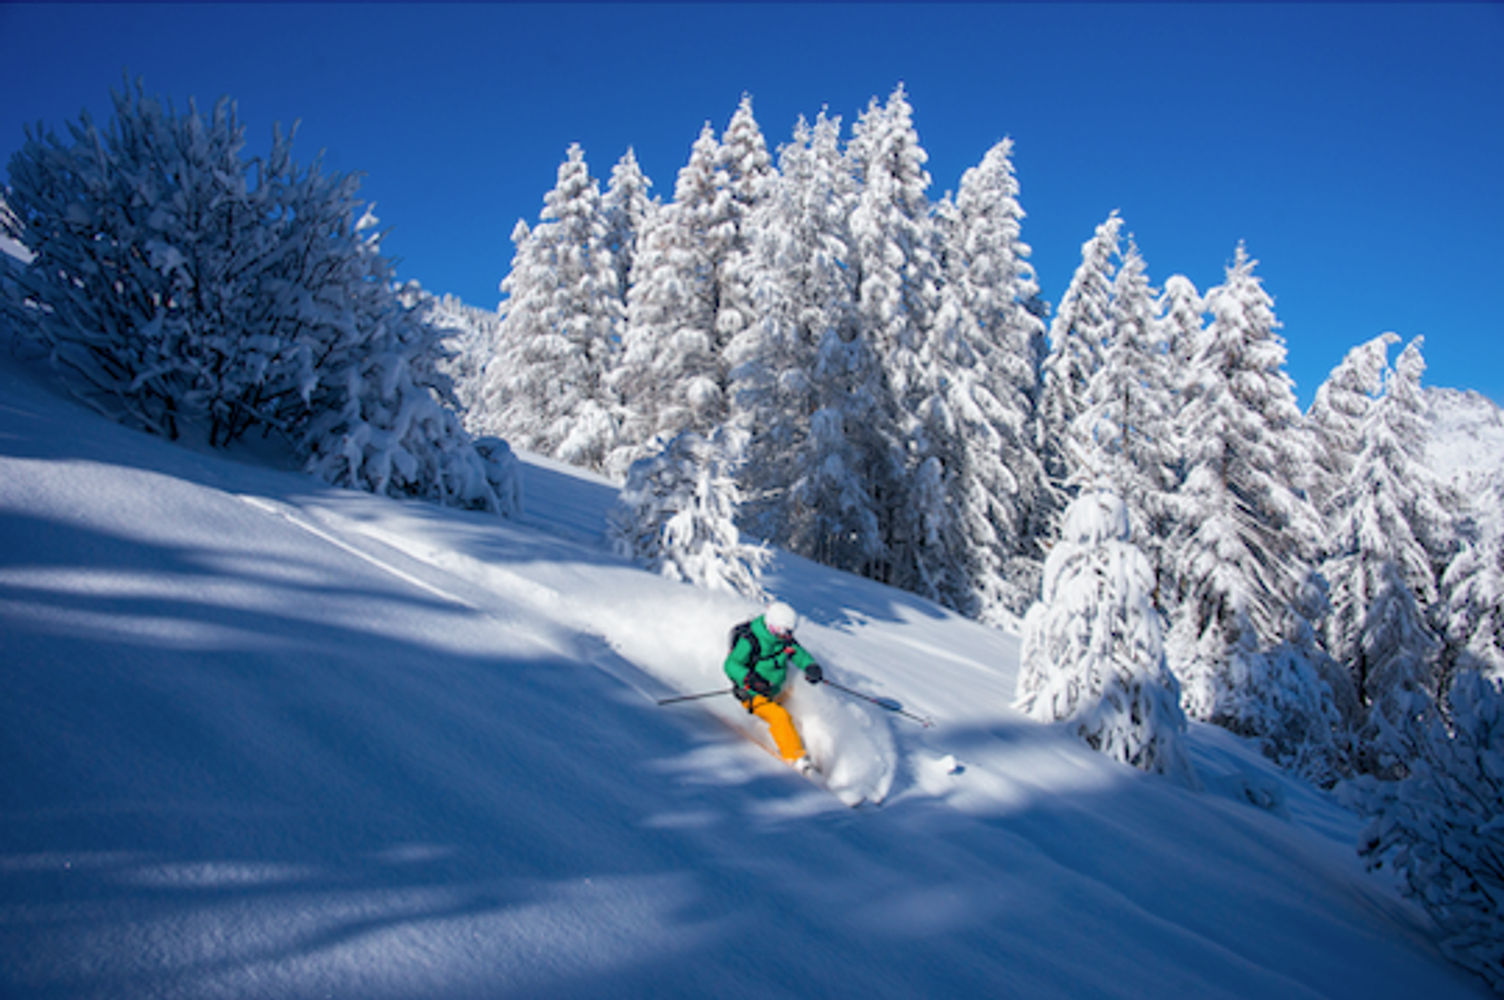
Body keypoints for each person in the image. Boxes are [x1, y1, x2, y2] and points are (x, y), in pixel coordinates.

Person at [724, 601, 824, 774]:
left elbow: (798, 653)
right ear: (773, 626)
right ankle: (796, 759)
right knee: (780, 717)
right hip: (752, 693)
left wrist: (810, 666)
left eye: (790, 632)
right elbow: (730, 665)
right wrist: (750, 678)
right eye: (785, 631)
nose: (788, 636)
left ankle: (810, 746)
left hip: (776, 689)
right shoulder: (750, 640)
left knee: (800, 702)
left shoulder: (783, 640)